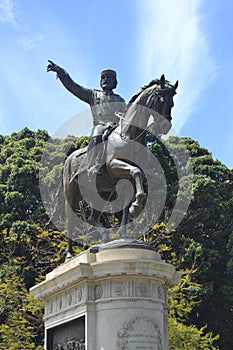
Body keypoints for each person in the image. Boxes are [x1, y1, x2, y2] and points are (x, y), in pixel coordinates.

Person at [47, 60, 126, 176]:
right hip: (101, 126)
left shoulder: (120, 100)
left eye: (109, 78)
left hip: (115, 128)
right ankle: (93, 165)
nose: (106, 80)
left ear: (115, 82)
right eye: (103, 78)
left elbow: (126, 116)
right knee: (97, 135)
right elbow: (74, 87)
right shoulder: (93, 95)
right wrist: (61, 72)